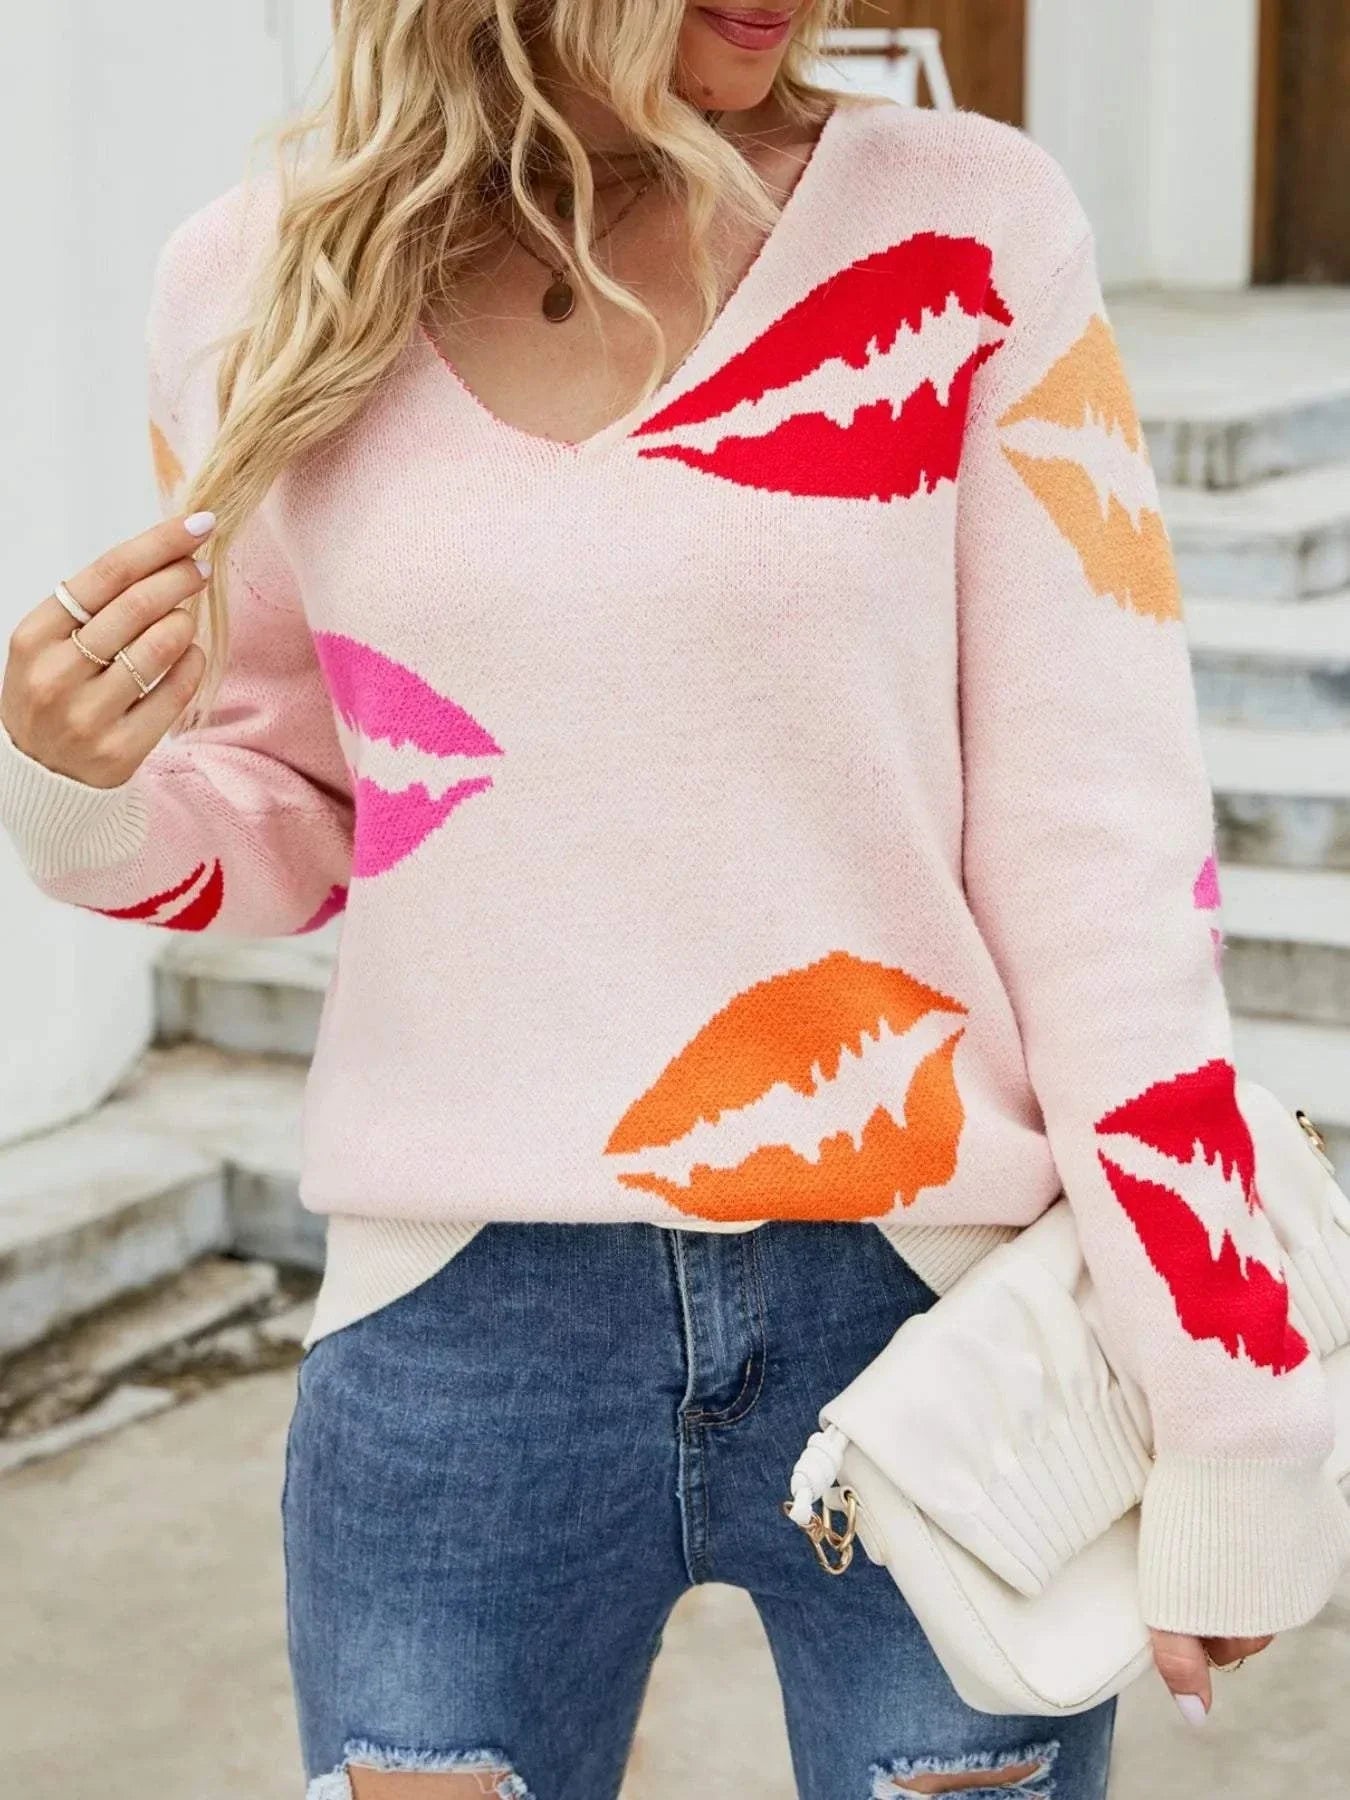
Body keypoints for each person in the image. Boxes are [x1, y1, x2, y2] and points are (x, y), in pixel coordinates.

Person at [2, 2, 1346, 1796]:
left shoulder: (964, 223)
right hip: (457, 1323)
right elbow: (310, 803)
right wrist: (80, 789)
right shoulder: (257, 284)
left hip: (929, 1309)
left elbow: (1100, 853)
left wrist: (1234, 1401)